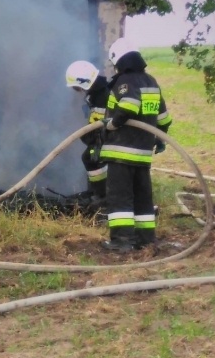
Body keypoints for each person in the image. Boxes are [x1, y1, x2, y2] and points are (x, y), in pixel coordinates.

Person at [99, 38, 173, 252]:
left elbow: (129, 106)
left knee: (120, 198)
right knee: (142, 198)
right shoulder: (151, 81)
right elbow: (164, 118)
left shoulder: (125, 82)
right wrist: (159, 138)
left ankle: (122, 241)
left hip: (121, 152)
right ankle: (145, 239)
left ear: (118, 60)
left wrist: (111, 124)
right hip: (142, 154)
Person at [65, 60, 110, 204]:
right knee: (90, 156)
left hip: (112, 138)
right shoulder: (99, 92)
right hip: (107, 135)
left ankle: (102, 195)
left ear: (83, 82)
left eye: (77, 87)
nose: (77, 91)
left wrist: (88, 138)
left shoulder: (100, 96)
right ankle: (97, 191)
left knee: (90, 158)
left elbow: (96, 126)